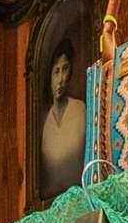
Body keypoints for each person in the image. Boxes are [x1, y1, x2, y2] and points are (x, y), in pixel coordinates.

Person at [35, 39, 89, 202]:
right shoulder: (44, 124)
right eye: (56, 71)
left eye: (65, 69)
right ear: (49, 77)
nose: (60, 79)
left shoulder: (80, 110)